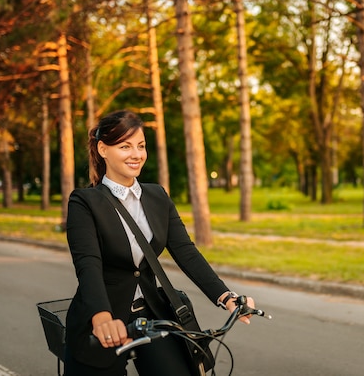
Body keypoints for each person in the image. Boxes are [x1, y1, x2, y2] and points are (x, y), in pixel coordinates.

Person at [63, 110, 254, 376]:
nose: (136, 154)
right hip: (103, 315)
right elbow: (88, 264)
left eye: (141, 146)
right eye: (125, 146)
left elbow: (185, 251)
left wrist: (225, 296)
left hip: (151, 313)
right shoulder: (84, 202)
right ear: (103, 149)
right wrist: (101, 316)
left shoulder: (157, 196)